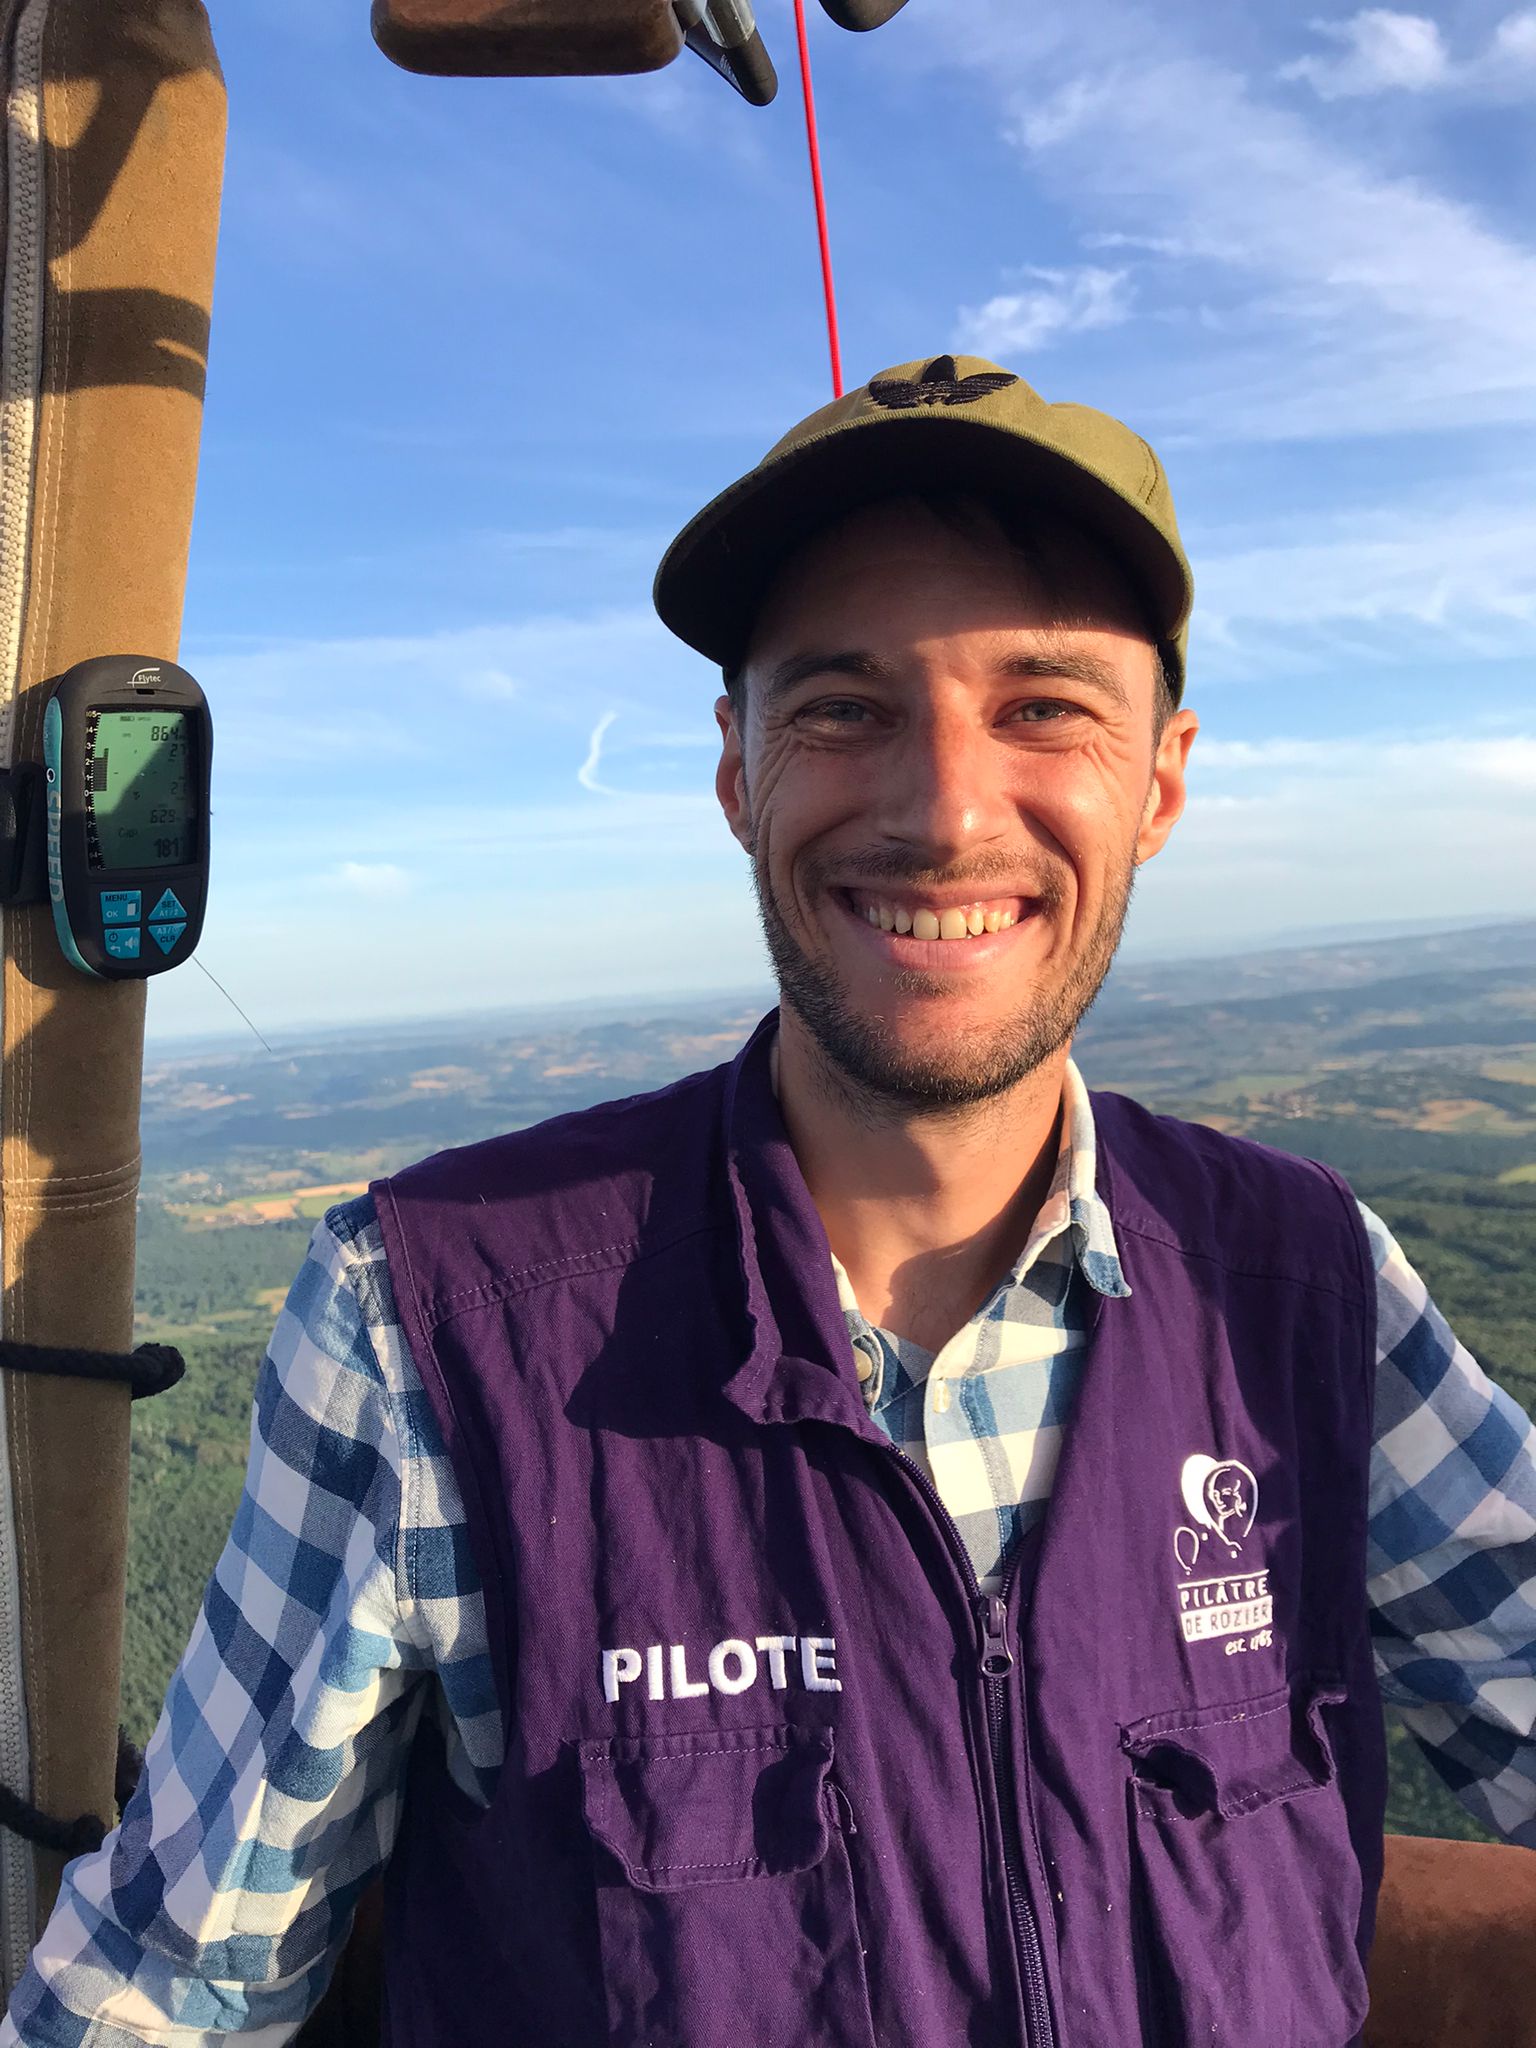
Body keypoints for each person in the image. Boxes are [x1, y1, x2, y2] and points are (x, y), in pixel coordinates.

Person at [5, 354, 1534, 2046]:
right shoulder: (429, 1328)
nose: (944, 810)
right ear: (738, 773)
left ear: (1160, 783)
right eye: (842, 709)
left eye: (1043, 706)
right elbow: (169, 1991)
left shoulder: (1305, 1287)